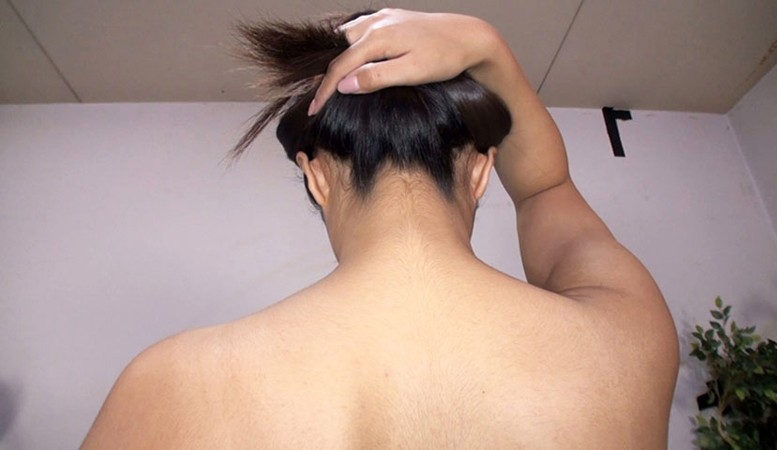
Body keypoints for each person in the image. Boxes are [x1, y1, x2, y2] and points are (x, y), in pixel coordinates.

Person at [82, 9, 679, 449]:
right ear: (481, 172)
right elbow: (547, 188)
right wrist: (488, 47)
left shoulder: (166, 385)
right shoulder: (624, 343)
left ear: (317, 178)